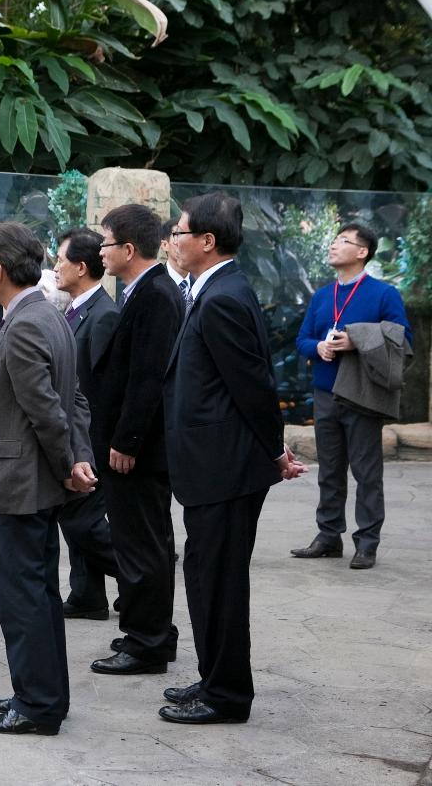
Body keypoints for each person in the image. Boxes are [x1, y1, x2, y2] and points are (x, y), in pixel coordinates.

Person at [161, 193, 307, 724]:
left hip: (223, 468)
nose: (173, 241)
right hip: (213, 467)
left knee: (218, 581)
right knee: (205, 576)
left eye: (179, 233)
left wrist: (274, 451)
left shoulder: (222, 296)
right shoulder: (214, 289)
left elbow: (254, 388)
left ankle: (226, 696)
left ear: (206, 240)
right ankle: (213, 675)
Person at [0, 222, 97, 736]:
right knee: (34, 595)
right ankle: (39, 694)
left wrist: (69, 465)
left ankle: (38, 704)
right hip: (26, 483)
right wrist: (76, 459)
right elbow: (73, 400)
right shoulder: (47, 316)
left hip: (16, 486)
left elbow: (49, 409)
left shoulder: (27, 323)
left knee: (23, 600)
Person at [89, 205, 183, 675]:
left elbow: (148, 378)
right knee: (143, 541)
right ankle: (149, 632)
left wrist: (125, 441)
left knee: (142, 544)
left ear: (128, 248)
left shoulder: (156, 295)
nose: (100, 251)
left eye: (105, 243)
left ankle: (146, 641)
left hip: (139, 451)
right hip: (132, 446)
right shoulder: (142, 291)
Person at [291, 223, 412, 569]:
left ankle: (367, 543)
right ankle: (328, 536)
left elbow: (402, 342)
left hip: (361, 395)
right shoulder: (321, 295)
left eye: (343, 241)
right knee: (329, 471)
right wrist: (320, 346)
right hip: (325, 392)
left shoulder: (383, 294)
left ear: (362, 252)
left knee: (366, 472)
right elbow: (302, 340)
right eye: (334, 239)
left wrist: (356, 341)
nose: (333, 245)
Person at [51, 228, 121, 624]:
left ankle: (138, 575)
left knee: (83, 521)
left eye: (61, 259)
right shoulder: (75, 309)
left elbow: (101, 389)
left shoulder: (104, 315)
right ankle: (87, 594)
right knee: (73, 515)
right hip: (75, 435)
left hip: (91, 439)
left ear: (81, 266)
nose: (55, 266)